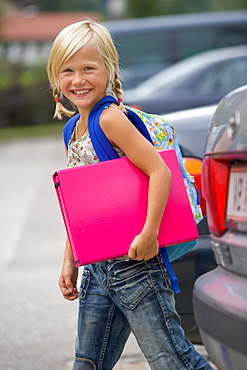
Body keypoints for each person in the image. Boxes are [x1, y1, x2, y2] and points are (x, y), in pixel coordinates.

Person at [47, 20, 214, 370]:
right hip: (97, 269)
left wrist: (150, 232)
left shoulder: (109, 119)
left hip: (136, 266)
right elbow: (79, 206)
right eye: (68, 71)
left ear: (108, 70)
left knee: (173, 360)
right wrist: (70, 260)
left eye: (88, 69)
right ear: (55, 78)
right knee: (87, 364)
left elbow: (159, 170)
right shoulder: (71, 128)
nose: (78, 80)